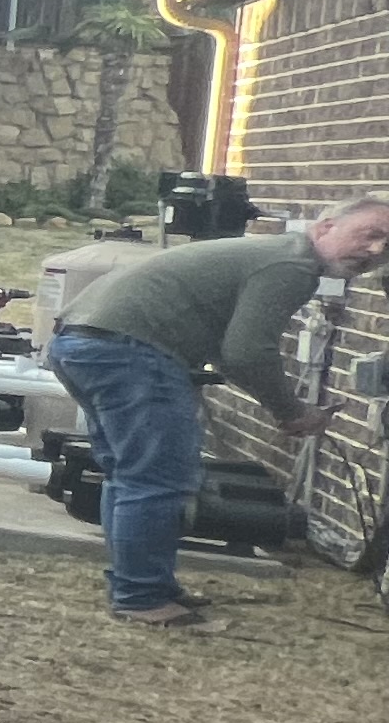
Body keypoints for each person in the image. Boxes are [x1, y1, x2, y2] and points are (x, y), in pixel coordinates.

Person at [47, 192, 389, 627]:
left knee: (130, 476)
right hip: (129, 351)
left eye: (387, 246)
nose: (376, 251)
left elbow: (233, 352)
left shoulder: (274, 253)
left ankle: (144, 586)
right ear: (325, 227)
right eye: (370, 234)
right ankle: (140, 597)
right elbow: (247, 352)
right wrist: (290, 411)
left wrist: (283, 407)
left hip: (83, 342)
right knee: (156, 480)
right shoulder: (292, 265)